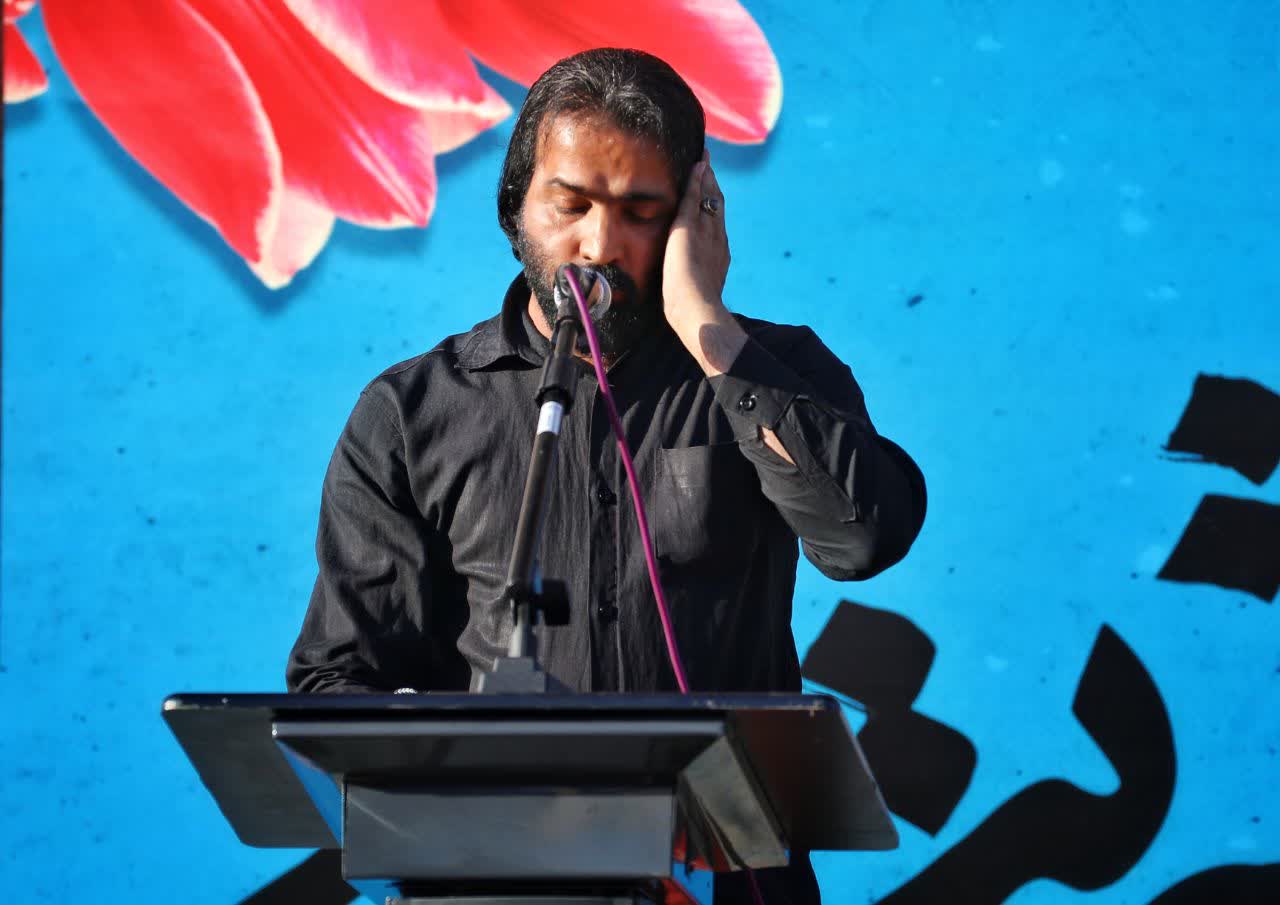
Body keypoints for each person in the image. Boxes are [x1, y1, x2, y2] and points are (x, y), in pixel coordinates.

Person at [287, 48, 926, 904]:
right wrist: (428, 752)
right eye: (571, 204)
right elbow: (339, 677)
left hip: (725, 881)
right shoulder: (411, 413)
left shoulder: (769, 371)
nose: (598, 244)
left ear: (693, 216)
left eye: (639, 211)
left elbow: (862, 537)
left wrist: (707, 327)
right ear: (514, 204)